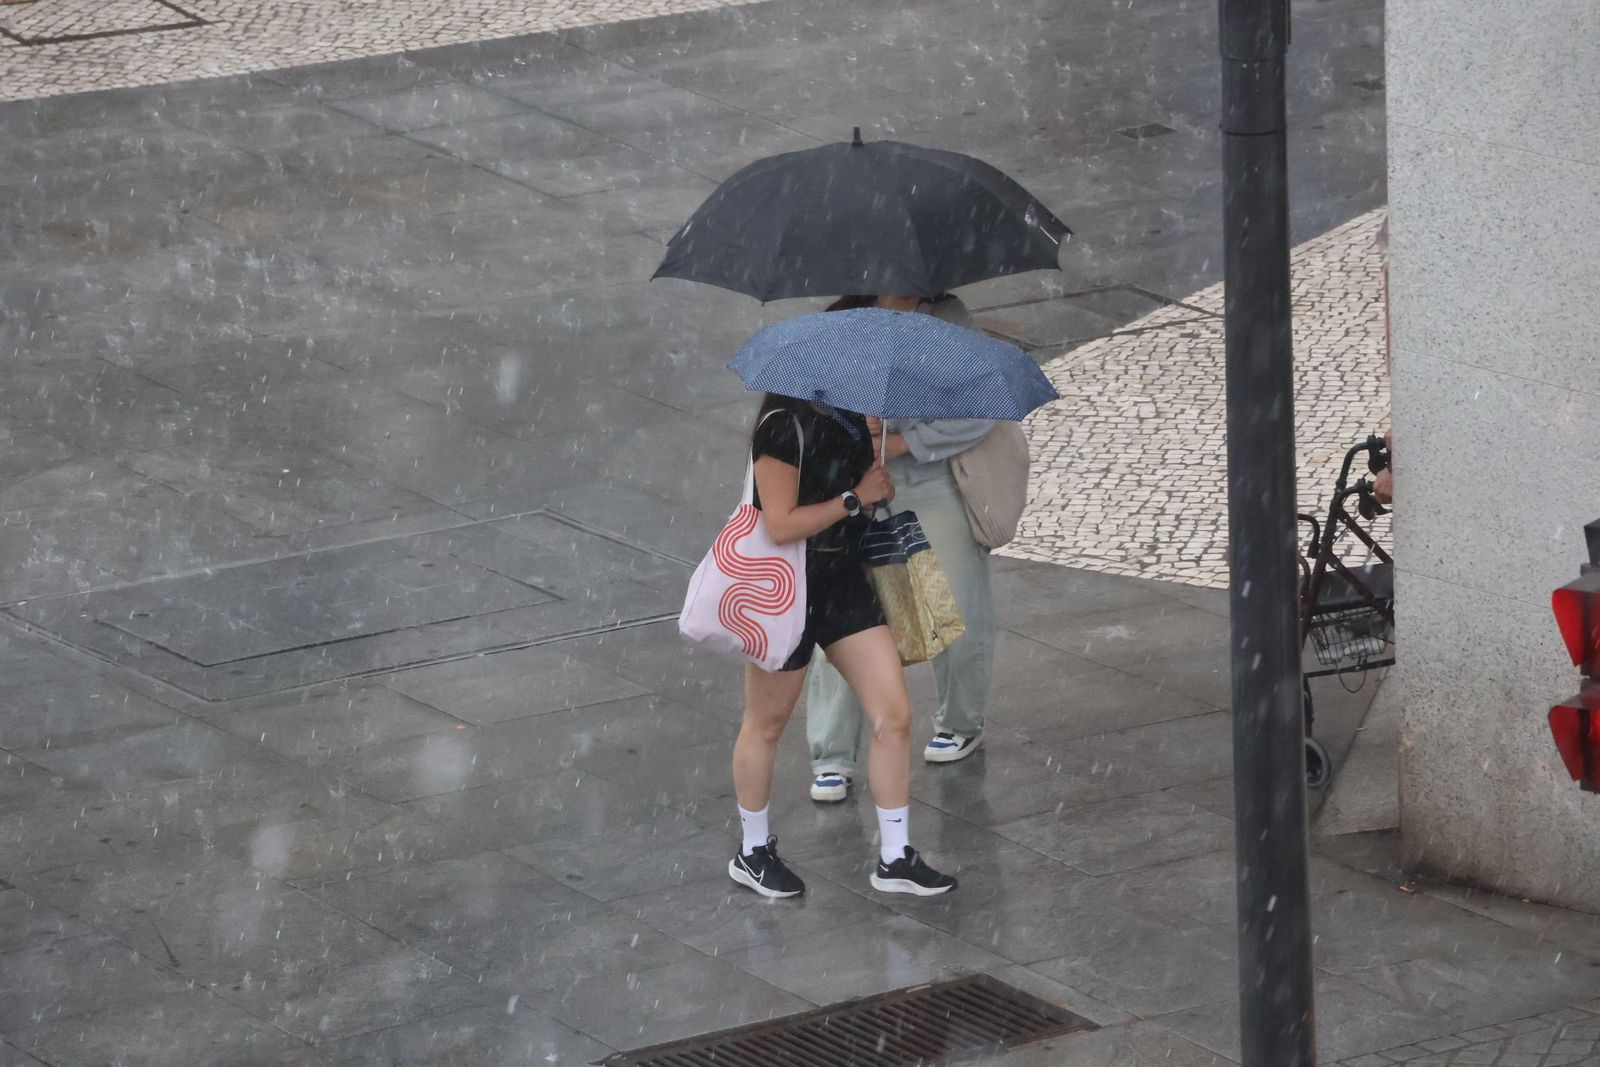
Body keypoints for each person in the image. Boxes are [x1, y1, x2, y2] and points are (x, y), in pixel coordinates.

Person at [728, 387, 957, 899]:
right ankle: (752, 850)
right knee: (766, 724)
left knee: (893, 713)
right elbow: (782, 525)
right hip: (785, 584)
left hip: (843, 579)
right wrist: (854, 497)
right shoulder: (782, 428)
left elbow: (860, 498)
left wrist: (874, 486)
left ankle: (895, 856)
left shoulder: (853, 420)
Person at [806, 293, 998, 803]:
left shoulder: (948, 317)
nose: (908, 288)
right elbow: (809, 402)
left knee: (958, 599)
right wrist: (855, 429)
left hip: (927, 478)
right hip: (855, 481)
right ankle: (831, 754)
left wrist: (900, 441)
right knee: (840, 610)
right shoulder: (845, 316)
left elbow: (982, 406)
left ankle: (961, 721)